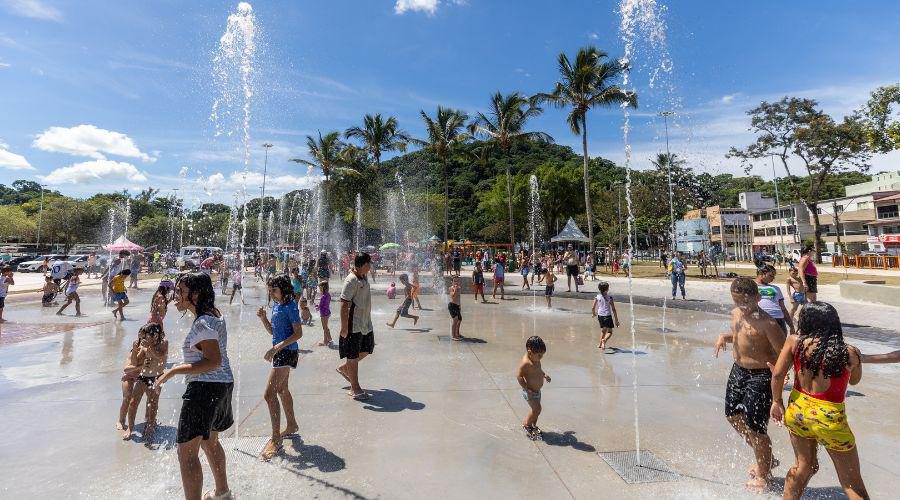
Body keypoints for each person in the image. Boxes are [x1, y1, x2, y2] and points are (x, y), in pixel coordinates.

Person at [769, 302, 868, 500]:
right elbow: (855, 381)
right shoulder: (850, 352)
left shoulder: (794, 342)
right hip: (829, 418)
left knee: (803, 467)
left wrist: (777, 401)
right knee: (852, 484)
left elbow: (778, 375)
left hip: (798, 411)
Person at [154, 272, 234, 500]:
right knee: (210, 442)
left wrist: (172, 371)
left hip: (204, 389)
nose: (175, 297)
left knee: (186, 453)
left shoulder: (202, 322)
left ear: (196, 294)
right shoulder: (214, 315)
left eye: (180, 291)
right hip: (222, 385)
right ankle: (222, 492)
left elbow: (213, 360)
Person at [713, 277, 786, 492]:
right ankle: (766, 458)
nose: (742, 307)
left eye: (745, 302)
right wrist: (724, 337)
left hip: (761, 375)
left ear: (758, 297)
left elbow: (784, 353)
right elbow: (740, 335)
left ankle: (764, 474)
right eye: (737, 302)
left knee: (756, 427)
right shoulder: (736, 314)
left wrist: (781, 377)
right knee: (732, 415)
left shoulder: (768, 323)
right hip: (738, 371)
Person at [256, 275, 303, 461]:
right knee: (282, 389)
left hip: (286, 352)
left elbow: (299, 333)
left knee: (269, 394)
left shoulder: (290, 307)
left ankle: (276, 439)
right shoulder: (277, 305)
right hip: (281, 352)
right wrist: (263, 319)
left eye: (274, 290)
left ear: (283, 289)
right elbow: (273, 331)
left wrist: (276, 348)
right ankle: (291, 425)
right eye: (270, 290)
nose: (271, 293)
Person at [337, 253, 375, 401]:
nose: (370, 266)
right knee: (352, 356)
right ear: (362, 264)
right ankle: (354, 388)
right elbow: (343, 303)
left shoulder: (363, 277)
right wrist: (344, 327)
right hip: (353, 324)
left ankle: (345, 368)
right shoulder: (351, 280)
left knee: (367, 349)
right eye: (368, 263)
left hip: (365, 322)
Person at [124, 322, 168, 443]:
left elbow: (160, 356)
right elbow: (134, 362)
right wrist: (135, 350)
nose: (144, 338)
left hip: (157, 377)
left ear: (155, 335)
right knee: (133, 403)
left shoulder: (164, 343)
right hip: (143, 377)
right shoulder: (144, 345)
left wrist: (149, 347)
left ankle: (150, 426)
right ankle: (130, 427)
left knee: (153, 403)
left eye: (146, 335)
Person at [517, 336, 551, 440]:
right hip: (530, 392)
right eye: (540, 355)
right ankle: (527, 425)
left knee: (536, 411)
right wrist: (526, 389)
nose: (541, 357)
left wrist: (544, 375)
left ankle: (533, 426)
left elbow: (538, 369)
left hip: (537, 391)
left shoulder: (534, 358)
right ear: (530, 352)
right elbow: (519, 377)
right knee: (537, 409)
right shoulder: (526, 363)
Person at [118, 328, 147, 437]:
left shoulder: (150, 350)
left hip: (142, 377)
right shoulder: (133, 350)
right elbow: (127, 369)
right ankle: (121, 420)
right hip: (129, 376)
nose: (143, 340)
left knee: (150, 398)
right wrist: (135, 351)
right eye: (142, 338)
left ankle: (149, 420)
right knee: (127, 398)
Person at [755, 264, 795, 336]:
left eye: (774, 276)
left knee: (781, 346)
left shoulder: (776, 288)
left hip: (778, 320)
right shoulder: (752, 287)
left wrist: (791, 326)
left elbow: (783, 308)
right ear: (761, 273)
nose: (773, 278)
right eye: (771, 275)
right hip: (760, 320)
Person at [592, 281, 620, 350]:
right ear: (607, 289)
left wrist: (593, 313)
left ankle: (600, 344)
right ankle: (604, 340)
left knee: (603, 330)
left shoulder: (597, 297)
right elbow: (613, 309)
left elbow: (593, 307)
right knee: (610, 332)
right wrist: (616, 320)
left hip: (600, 316)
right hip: (607, 316)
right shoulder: (609, 297)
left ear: (599, 289)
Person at [317, 281, 332, 346]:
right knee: (326, 327)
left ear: (323, 287)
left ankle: (325, 341)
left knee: (324, 327)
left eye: (320, 287)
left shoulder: (323, 296)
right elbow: (325, 304)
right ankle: (329, 338)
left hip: (323, 313)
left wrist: (317, 307)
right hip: (327, 312)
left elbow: (320, 306)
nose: (319, 288)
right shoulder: (328, 294)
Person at [448, 276, 463, 341]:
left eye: (457, 281)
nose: (456, 282)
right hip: (452, 306)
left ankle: (457, 333)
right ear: (452, 282)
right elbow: (453, 297)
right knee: (455, 320)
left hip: (457, 306)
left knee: (459, 319)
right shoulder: (451, 288)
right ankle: (453, 335)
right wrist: (455, 290)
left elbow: (459, 298)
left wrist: (460, 306)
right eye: (454, 281)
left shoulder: (459, 288)